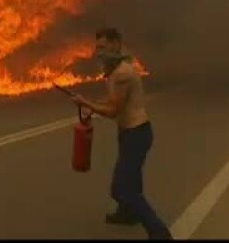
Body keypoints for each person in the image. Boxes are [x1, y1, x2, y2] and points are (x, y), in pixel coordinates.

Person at [70, 27, 173, 240]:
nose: (98, 51)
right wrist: (92, 104)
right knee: (127, 183)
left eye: (103, 47)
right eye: (97, 47)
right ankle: (127, 214)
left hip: (137, 134)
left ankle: (159, 231)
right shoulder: (116, 70)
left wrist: (85, 102)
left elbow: (112, 111)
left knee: (124, 189)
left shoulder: (122, 74)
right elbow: (114, 102)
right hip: (129, 134)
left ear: (116, 44)